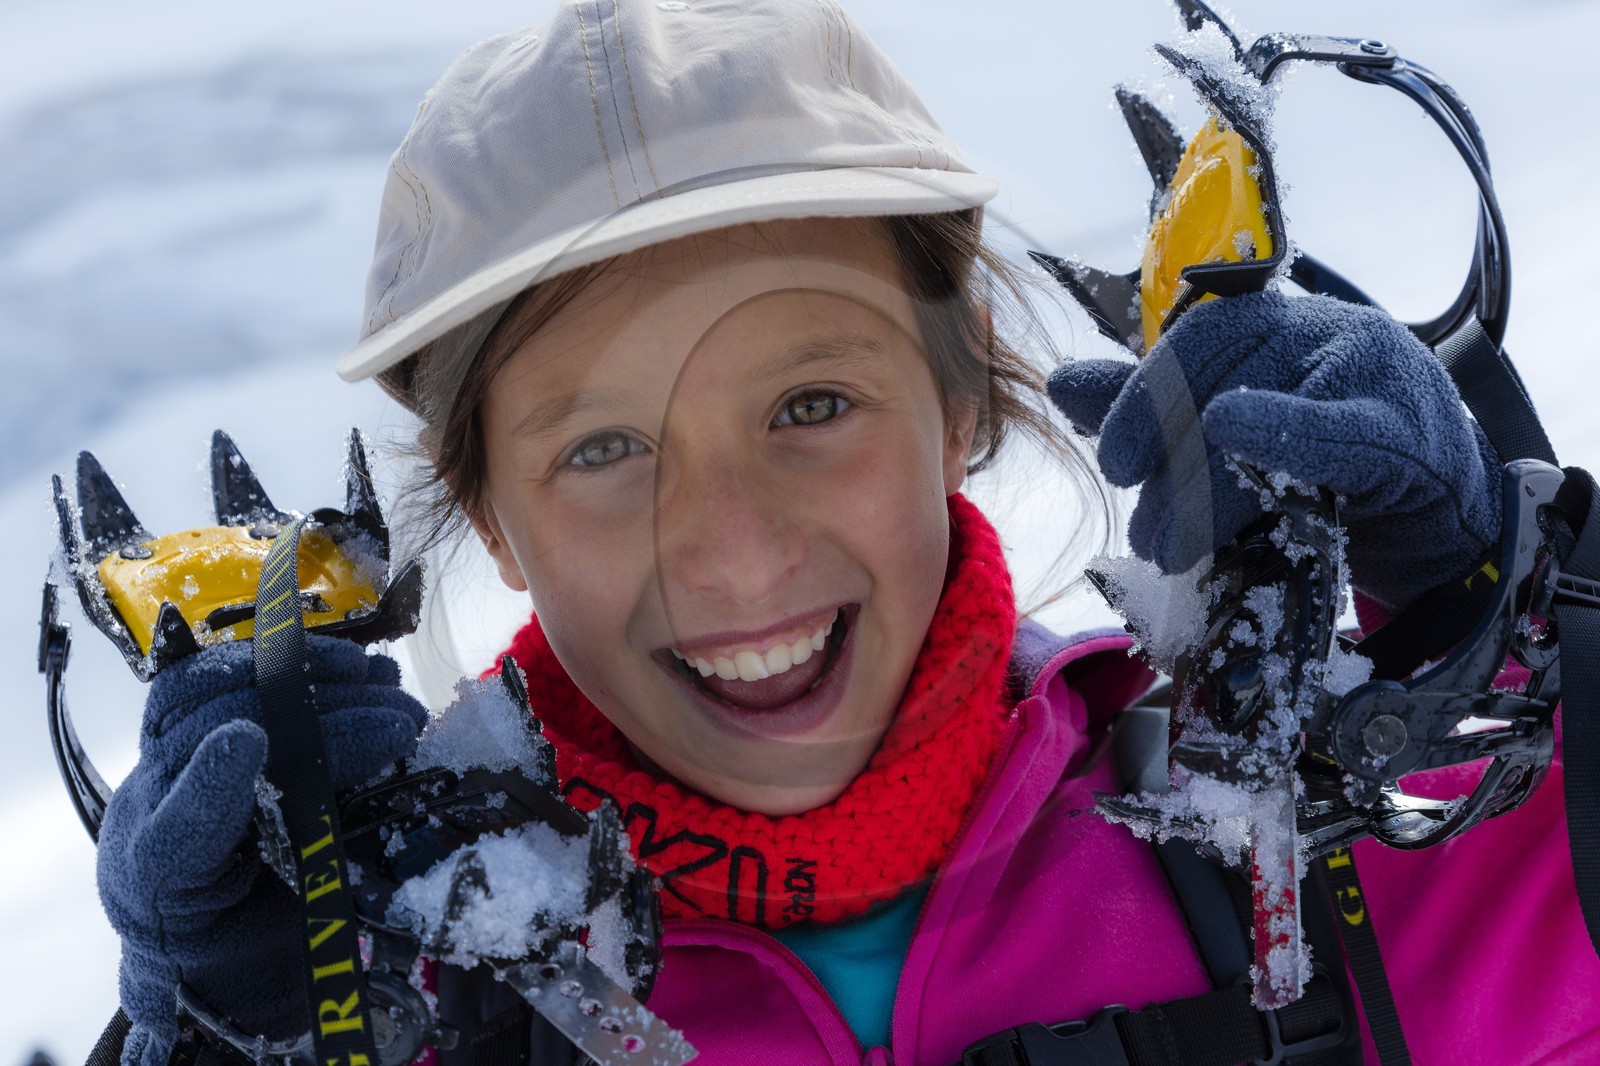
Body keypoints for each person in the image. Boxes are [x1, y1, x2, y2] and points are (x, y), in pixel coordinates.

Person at [93, 1, 1600, 1063]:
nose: (735, 551)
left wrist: (1536, 629)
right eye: (606, 447)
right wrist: (228, 1038)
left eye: (810, 403)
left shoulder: (1347, 855)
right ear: (487, 512)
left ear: (961, 407)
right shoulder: (416, 1012)